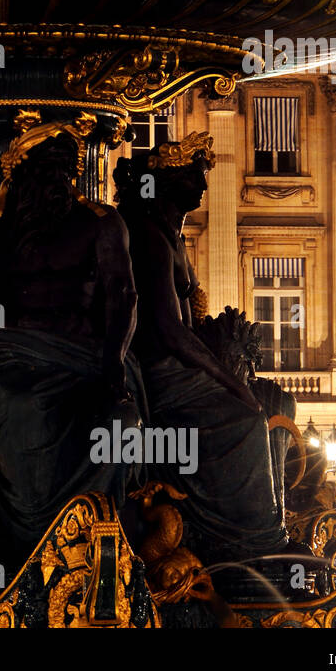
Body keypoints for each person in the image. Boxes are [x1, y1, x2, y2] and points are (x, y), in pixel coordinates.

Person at [0, 121, 142, 566]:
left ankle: (96, 538)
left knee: (120, 418)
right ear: (19, 176)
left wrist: (113, 365)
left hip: (86, 358)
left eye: (64, 171)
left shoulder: (102, 223)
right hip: (13, 356)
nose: (56, 183)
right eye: (45, 171)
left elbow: (124, 295)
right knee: (19, 404)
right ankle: (25, 540)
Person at [114, 133, 287, 561]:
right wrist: (229, 380)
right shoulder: (150, 238)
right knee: (244, 418)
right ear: (169, 181)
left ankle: (267, 523)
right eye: (195, 176)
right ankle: (246, 540)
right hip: (158, 368)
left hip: (176, 362)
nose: (205, 186)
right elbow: (171, 331)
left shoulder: (171, 235)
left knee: (269, 400)